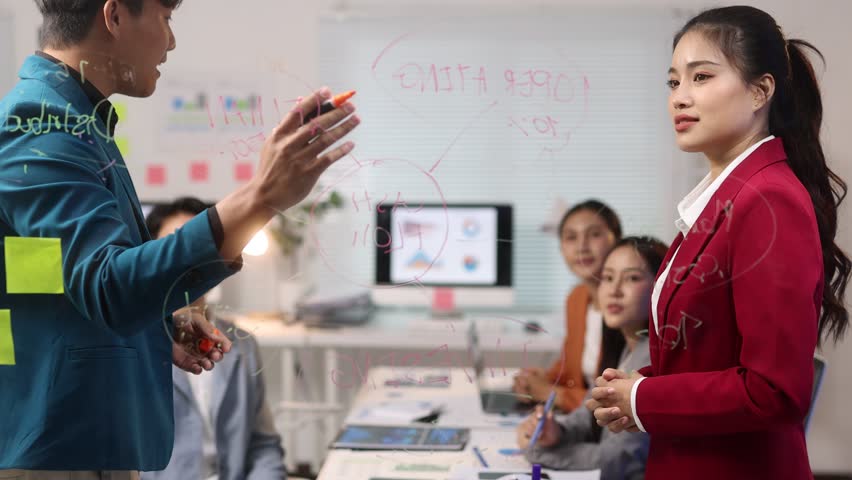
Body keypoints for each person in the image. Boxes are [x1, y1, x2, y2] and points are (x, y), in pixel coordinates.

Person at [0, 0, 358, 476]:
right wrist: (257, 198)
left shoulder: (75, 123)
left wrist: (155, 325)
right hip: (55, 448)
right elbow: (108, 288)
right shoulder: (43, 126)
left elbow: (48, 280)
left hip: (77, 438)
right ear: (115, 16)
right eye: (166, 19)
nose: (171, 42)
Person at [587, 6, 851, 480]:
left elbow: (774, 391)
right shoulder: (727, 198)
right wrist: (638, 391)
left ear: (759, 90)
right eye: (673, 83)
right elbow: (713, 355)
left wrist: (644, 398)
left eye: (701, 77)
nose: (680, 98)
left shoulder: (768, 200)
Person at [141, 198, 286, 480]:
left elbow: (263, 444)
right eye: (172, 248)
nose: (185, 261)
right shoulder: (136, 345)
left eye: (197, 248)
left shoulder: (241, 343)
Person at [516, 236, 667, 480]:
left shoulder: (650, 359)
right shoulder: (627, 347)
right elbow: (587, 417)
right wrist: (557, 431)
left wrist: (540, 451)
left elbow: (620, 459)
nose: (614, 290)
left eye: (632, 278)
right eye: (608, 277)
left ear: (661, 286)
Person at [513, 200, 623, 412]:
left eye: (594, 234)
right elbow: (571, 367)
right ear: (562, 249)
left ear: (616, 241)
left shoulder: (628, 306)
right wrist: (539, 379)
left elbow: (618, 400)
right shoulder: (577, 298)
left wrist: (551, 393)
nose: (582, 247)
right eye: (571, 237)